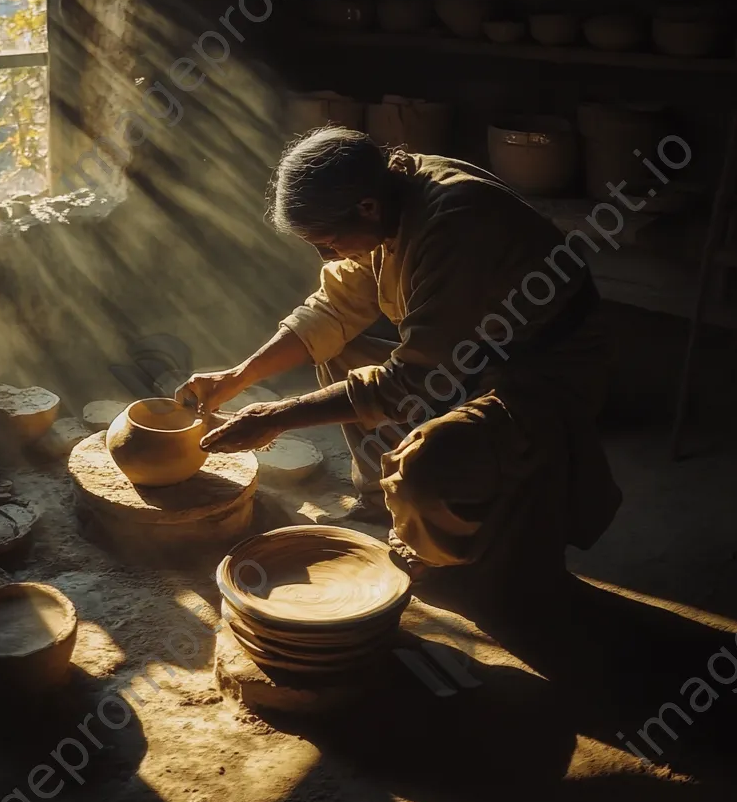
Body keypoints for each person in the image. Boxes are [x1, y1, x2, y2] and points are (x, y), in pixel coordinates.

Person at [176, 127, 621, 584]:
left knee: (427, 466)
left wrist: (277, 416)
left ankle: (436, 551)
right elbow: (333, 309)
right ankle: (383, 499)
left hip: (538, 373)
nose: (325, 255)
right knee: (338, 346)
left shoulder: (455, 223)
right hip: (469, 357)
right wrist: (237, 377)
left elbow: (414, 382)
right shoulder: (391, 190)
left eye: (327, 241)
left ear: (366, 207)